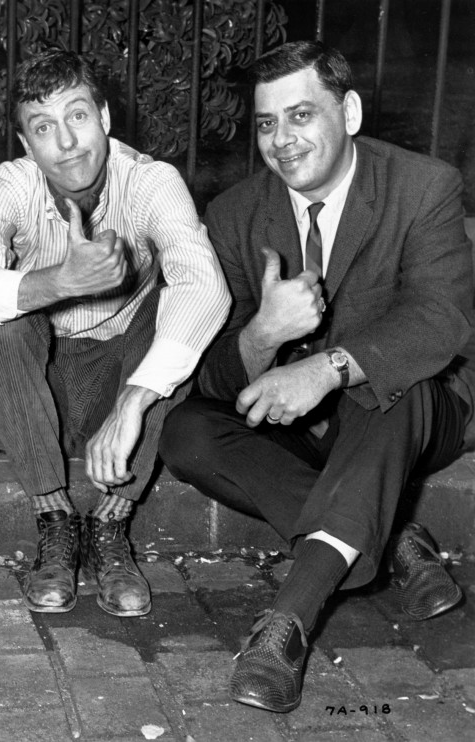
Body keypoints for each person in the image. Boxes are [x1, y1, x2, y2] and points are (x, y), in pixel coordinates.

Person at [159, 40, 472, 713]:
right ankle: (384, 536)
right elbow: (212, 381)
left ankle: (287, 624)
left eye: (301, 116)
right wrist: (264, 333)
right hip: (311, 435)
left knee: (393, 382)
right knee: (186, 435)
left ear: (350, 111)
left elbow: (439, 321)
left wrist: (328, 368)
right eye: (268, 124)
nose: (282, 140)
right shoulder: (238, 213)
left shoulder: (423, 187)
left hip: (419, 414)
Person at [0, 50, 231, 619]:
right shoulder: (6, 187)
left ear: (104, 117)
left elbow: (207, 288)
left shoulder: (152, 181)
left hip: (121, 380)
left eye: (77, 116)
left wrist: (135, 398)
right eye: (43, 128)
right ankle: (54, 519)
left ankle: (110, 525)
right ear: (27, 145)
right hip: (41, 388)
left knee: (176, 313)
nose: (67, 142)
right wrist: (59, 280)